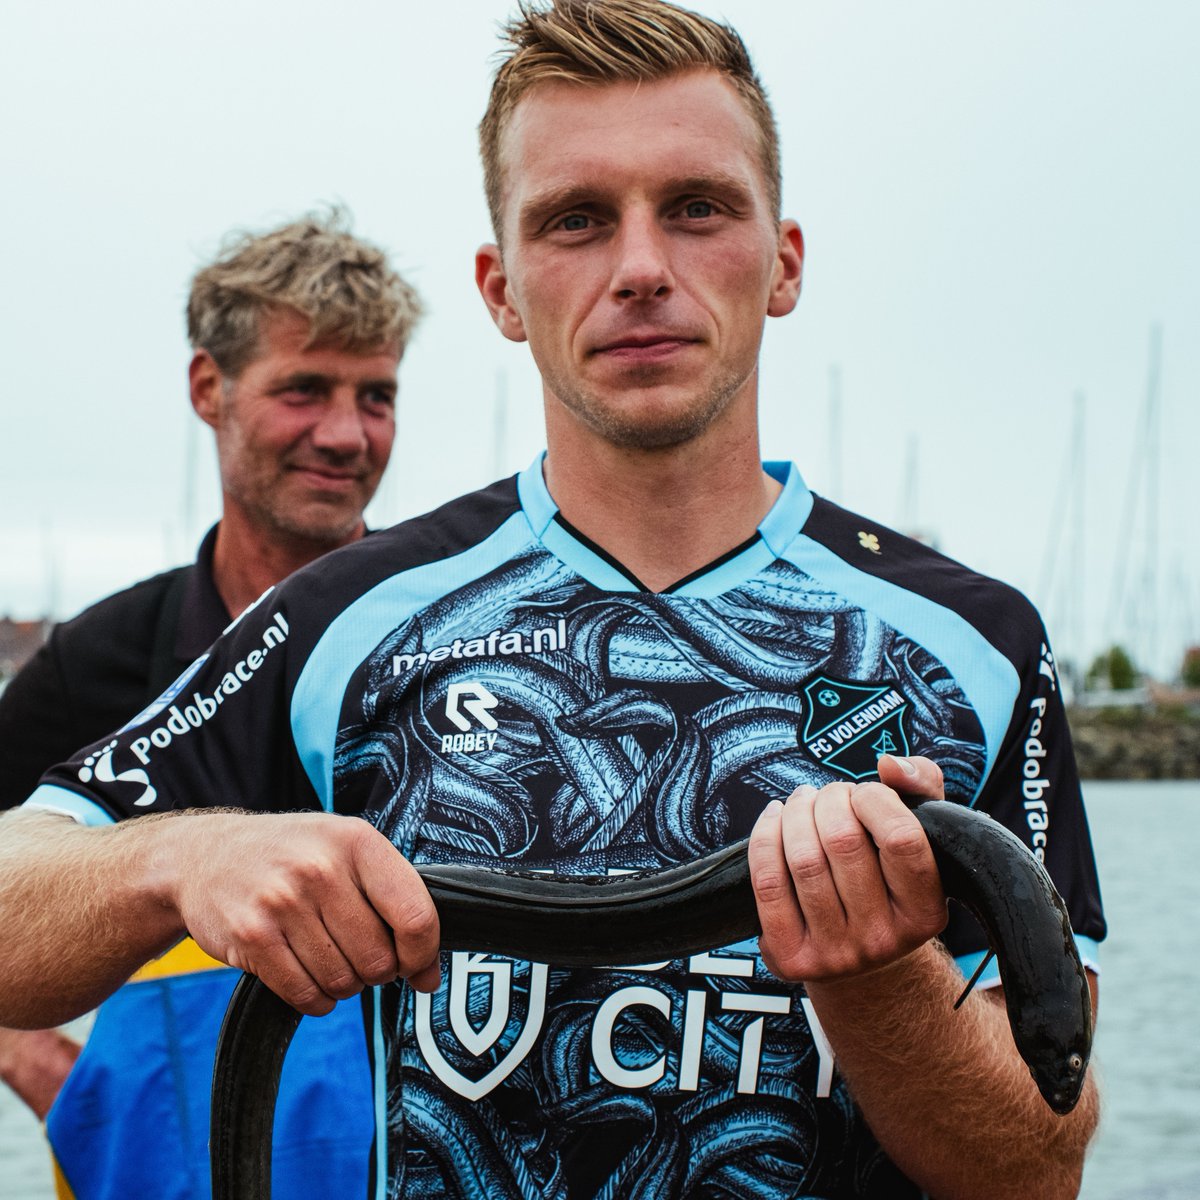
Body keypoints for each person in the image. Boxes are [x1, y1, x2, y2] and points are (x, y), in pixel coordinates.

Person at [0, 3, 1105, 1197]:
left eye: (697, 207)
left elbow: (1038, 1169)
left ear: (784, 260)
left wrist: (877, 981)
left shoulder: (975, 647)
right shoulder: (349, 621)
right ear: (502, 287)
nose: (641, 269)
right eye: (576, 221)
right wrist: (185, 863)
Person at [0, 210, 422, 1200]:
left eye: (378, 396)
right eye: (304, 390)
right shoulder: (95, 667)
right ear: (209, 390)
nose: (347, 434)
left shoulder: (460, 639)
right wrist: (34, 1061)